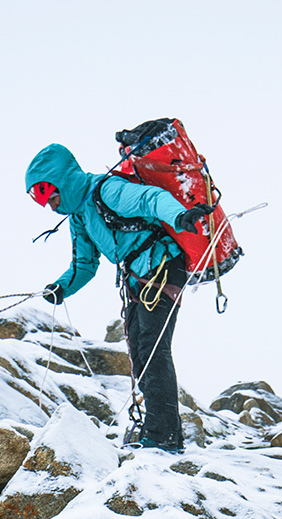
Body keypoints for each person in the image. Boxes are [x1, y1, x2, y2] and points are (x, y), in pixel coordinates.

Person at [25, 143, 211, 453]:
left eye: (51, 197)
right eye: (45, 202)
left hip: (163, 266)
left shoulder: (106, 190)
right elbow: (84, 265)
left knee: (152, 348)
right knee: (139, 350)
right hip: (140, 279)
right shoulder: (79, 217)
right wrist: (61, 288)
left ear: (62, 182)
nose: (52, 207)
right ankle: (163, 433)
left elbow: (150, 199)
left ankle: (162, 437)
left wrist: (179, 216)